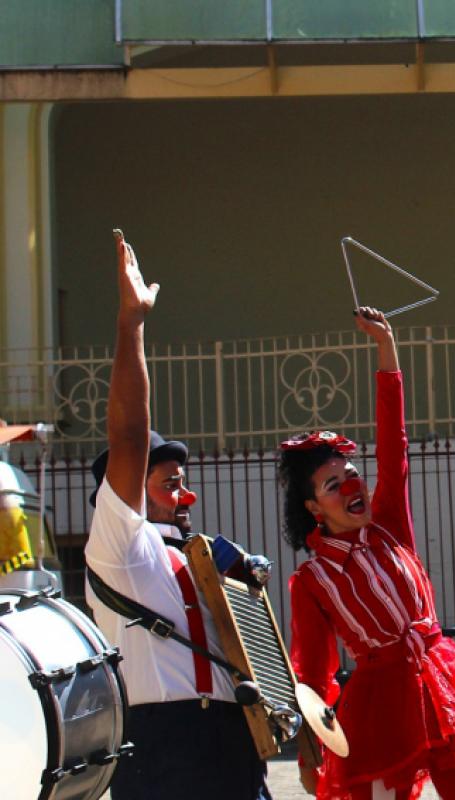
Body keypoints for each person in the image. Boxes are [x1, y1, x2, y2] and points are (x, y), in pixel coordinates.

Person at [280, 306, 455, 800]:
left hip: (443, 679)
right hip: (379, 700)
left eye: (350, 475)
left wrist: (387, 353)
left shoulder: (389, 526)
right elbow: (313, 671)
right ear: (313, 508)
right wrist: (310, 747)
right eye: (332, 485)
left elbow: (394, 449)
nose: (350, 486)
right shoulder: (313, 579)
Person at [84, 231, 271, 799]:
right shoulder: (120, 542)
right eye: (153, 465)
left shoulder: (202, 555)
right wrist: (131, 324)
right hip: (162, 746)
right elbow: (128, 432)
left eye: (178, 465)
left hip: (232, 735)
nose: (175, 470)